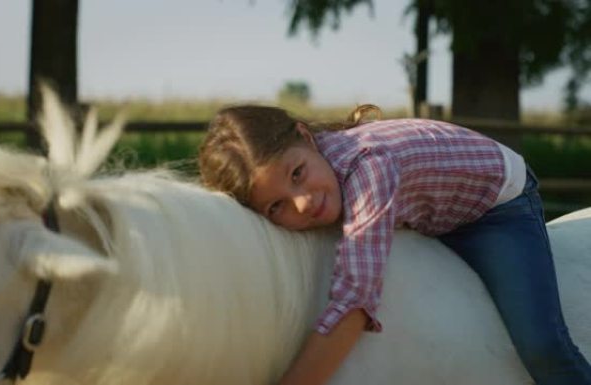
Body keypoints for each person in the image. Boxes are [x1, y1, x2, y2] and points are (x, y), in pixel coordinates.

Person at [197, 104, 591, 385]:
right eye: (277, 205)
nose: (304, 203)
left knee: (542, 347)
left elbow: (355, 299)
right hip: (431, 204)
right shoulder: (323, 179)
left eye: (298, 173)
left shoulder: (369, 168)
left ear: (306, 136)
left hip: (494, 207)